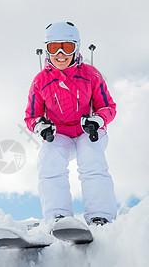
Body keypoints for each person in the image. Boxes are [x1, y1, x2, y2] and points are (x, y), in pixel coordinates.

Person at [24, 22, 117, 226]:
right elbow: (31, 115)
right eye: (53, 48)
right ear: (47, 50)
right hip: (60, 134)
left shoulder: (91, 75)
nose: (60, 54)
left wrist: (97, 121)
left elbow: (108, 106)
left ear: (76, 48)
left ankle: (100, 215)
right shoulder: (41, 81)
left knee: (92, 158)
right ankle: (59, 217)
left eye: (67, 47)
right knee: (49, 160)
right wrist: (41, 126)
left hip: (87, 131)